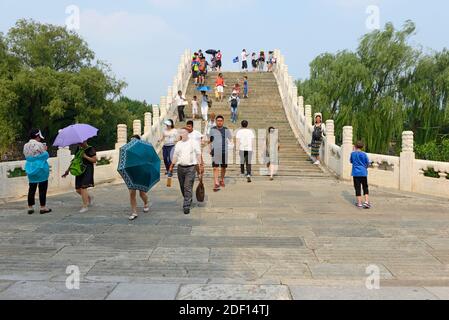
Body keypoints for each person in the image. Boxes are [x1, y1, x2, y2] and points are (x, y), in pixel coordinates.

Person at [169, 128, 204, 215]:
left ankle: (186, 206)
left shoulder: (193, 142)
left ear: (187, 133)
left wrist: (200, 165)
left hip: (191, 168)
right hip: (180, 168)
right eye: (180, 133)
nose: (182, 134)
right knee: (182, 186)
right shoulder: (178, 144)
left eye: (183, 132)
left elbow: (198, 154)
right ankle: (188, 198)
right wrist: (171, 166)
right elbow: (175, 156)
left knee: (187, 186)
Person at [63, 140, 97, 213]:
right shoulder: (79, 149)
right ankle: (89, 197)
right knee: (78, 190)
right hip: (79, 170)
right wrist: (68, 170)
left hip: (87, 170)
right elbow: (75, 160)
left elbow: (94, 160)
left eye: (81, 142)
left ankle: (85, 206)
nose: (80, 144)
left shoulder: (90, 149)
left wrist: (85, 156)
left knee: (83, 187)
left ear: (86, 141)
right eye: (79, 143)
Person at [23, 129, 52, 215]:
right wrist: (45, 150)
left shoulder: (26, 145)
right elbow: (45, 155)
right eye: (39, 137)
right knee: (42, 188)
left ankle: (30, 207)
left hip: (30, 168)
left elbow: (27, 156)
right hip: (40, 168)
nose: (40, 138)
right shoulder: (39, 144)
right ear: (37, 136)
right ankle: (43, 207)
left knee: (31, 188)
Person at [127, 135, 151, 221]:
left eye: (133, 141)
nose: (131, 142)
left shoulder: (143, 151)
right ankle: (134, 212)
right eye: (130, 141)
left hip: (141, 173)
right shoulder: (128, 151)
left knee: (142, 194)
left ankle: (146, 203)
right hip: (132, 173)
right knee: (132, 193)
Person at [209, 116, 233, 192]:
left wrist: (232, 145)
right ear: (216, 121)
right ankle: (216, 182)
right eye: (218, 120)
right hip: (215, 151)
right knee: (215, 167)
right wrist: (210, 149)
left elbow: (230, 139)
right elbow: (210, 140)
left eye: (221, 120)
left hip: (224, 151)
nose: (219, 122)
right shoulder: (212, 129)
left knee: (223, 167)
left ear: (223, 121)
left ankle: (221, 179)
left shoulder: (226, 130)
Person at [351, 141, 371, 209]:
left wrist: (354, 151)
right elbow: (367, 163)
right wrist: (365, 167)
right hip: (363, 173)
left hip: (356, 173)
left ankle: (359, 203)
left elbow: (351, 161)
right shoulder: (364, 154)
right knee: (365, 187)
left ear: (355, 146)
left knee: (357, 188)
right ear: (362, 147)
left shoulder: (352, 154)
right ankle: (366, 202)